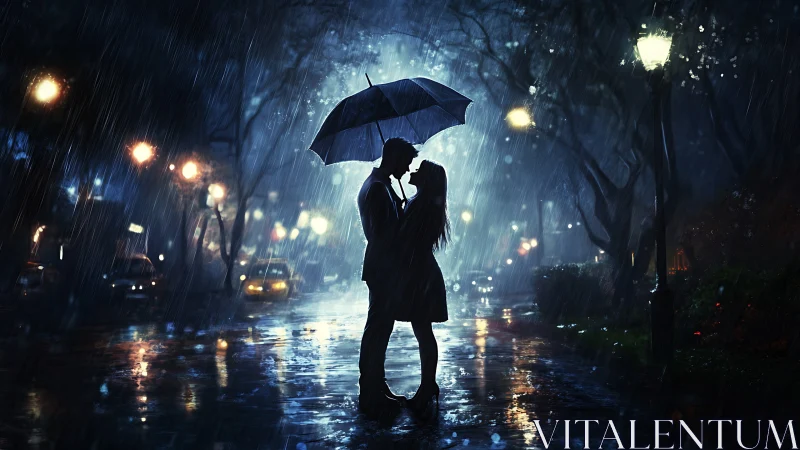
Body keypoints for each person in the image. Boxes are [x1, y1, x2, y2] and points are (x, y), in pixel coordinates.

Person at [356, 137, 418, 416]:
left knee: (380, 328)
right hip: (384, 267)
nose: (407, 169)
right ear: (394, 158)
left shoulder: (378, 185)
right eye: (406, 162)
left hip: (381, 266)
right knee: (378, 329)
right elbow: (386, 234)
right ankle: (371, 392)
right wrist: (405, 218)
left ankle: (376, 386)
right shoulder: (379, 188)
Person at [393, 160, 450, 417]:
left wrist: (401, 214)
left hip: (421, 275)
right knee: (423, 332)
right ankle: (428, 385)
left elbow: (406, 239)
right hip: (422, 273)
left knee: (424, 333)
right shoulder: (422, 204)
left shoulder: (422, 206)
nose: (412, 171)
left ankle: (427, 386)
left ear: (425, 180)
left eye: (419, 170)